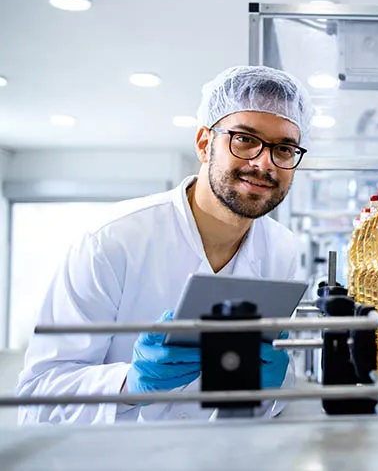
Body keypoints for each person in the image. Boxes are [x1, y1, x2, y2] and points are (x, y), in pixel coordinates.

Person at [16, 66, 313, 424]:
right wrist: (129, 385)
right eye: (245, 139)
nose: (264, 163)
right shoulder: (111, 240)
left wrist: (274, 387)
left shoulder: (282, 250)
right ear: (205, 144)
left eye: (283, 148)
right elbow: (36, 398)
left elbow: (268, 398)